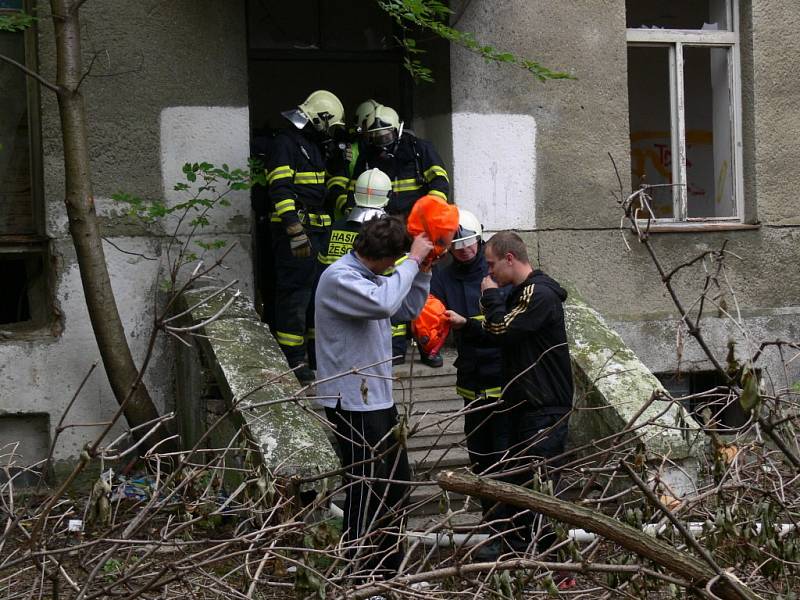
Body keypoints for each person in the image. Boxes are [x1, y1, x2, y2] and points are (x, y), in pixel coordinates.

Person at [315, 216, 434, 576]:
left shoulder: (373, 278)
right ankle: (359, 574)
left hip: (378, 400)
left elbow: (408, 309)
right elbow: (384, 304)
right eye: (396, 260)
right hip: (351, 402)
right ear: (386, 257)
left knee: (396, 485)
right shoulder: (340, 278)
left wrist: (423, 271)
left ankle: (387, 573)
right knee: (366, 491)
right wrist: (412, 260)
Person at [446, 230, 574, 560]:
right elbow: (499, 332)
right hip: (524, 405)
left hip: (544, 407)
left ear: (510, 259)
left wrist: (490, 297)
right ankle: (520, 551)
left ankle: (553, 555)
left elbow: (502, 329)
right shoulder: (524, 294)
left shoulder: (538, 294)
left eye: (491, 266)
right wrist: (466, 325)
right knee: (520, 482)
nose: (488, 274)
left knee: (541, 485)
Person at [350, 103, 450, 367]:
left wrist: (427, 218)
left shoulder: (419, 149)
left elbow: (440, 183)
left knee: (426, 290)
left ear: (398, 129)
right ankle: (395, 348)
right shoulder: (368, 156)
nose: (381, 143)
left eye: (385, 136)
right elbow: (356, 190)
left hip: (417, 233)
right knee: (390, 285)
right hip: (385, 234)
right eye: (375, 138)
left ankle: (430, 345)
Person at [429, 209, 510, 522]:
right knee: (480, 459)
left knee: (506, 458)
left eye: (469, 243)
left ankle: (508, 527)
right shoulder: (443, 276)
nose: (464, 249)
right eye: (457, 244)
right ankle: (491, 523)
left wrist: (467, 324)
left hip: (503, 379)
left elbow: (504, 322)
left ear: (480, 238)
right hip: (472, 381)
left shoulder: (496, 273)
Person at [265, 90, 344, 384]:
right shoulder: (284, 144)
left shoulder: (313, 145)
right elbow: (280, 189)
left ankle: (315, 355)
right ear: (319, 118)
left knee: (316, 295)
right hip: (296, 233)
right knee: (295, 295)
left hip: (319, 230)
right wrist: (293, 228)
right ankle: (294, 360)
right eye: (329, 124)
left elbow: (326, 186)